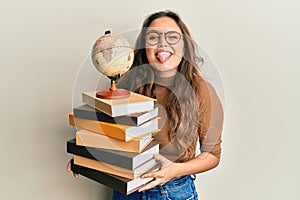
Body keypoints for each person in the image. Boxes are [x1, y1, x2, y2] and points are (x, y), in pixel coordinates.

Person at [67, 10, 223, 200]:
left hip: (172, 192)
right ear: (143, 47)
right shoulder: (127, 84)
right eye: (153, 37)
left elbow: (212, 155)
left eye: (172, 36)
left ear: (185, 46)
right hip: (125, 189)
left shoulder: (201, 89)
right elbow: (111, 136)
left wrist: (174, 170)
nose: (163, 43)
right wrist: (86, 157)